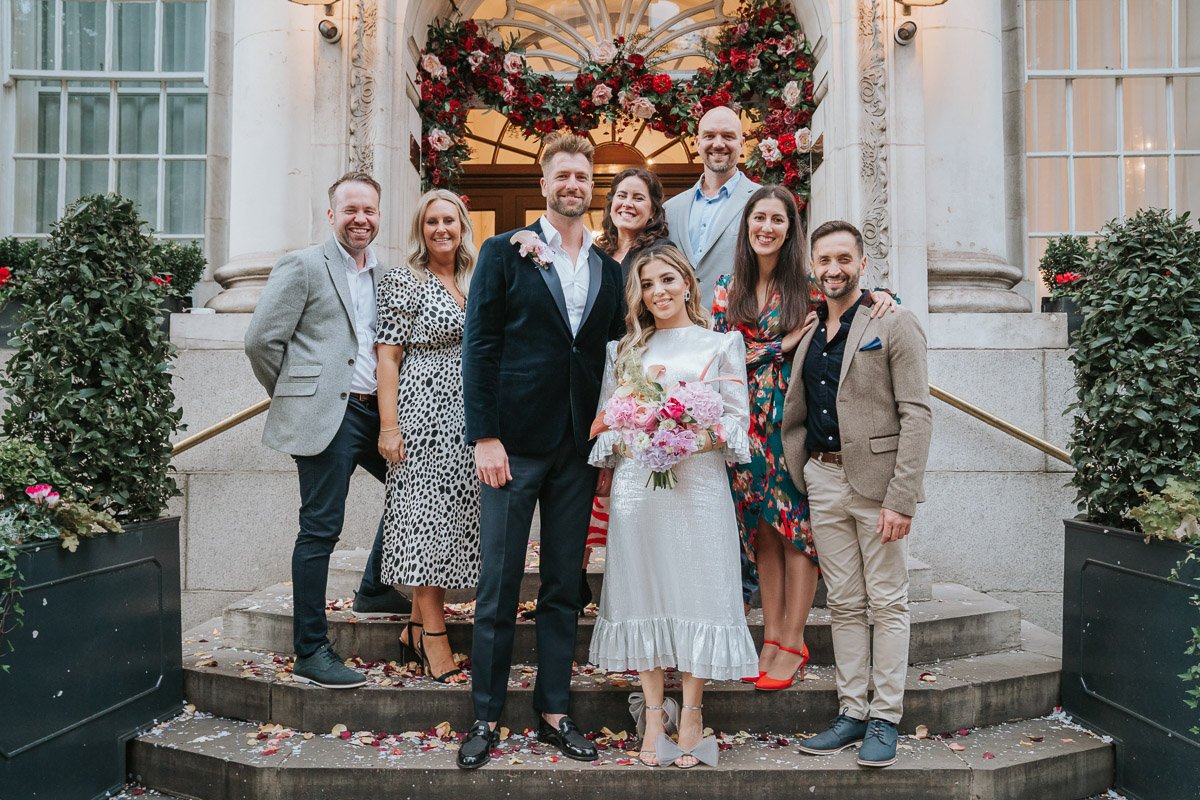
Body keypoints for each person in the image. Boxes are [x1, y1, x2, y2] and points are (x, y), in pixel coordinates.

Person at [458, 133, 626, 770]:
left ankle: (555, 710)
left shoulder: (610, 270)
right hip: (513, 446)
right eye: (563, 175)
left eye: (583, 177)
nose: (573, 186)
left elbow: (612, 357)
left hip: (577, 449)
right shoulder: (505, 253)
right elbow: (480, 348)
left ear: (591, 186)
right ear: (544, 182)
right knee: (498, 584)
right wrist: (485, 436)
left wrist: (608, 443)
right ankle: (486, 715)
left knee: (563, 585)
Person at [712, 187, 896, 693]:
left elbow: (861, 299)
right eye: (759, 218)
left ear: (791, 229)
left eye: (778, 219)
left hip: (791, 427)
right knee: (763, 535)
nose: (767, 227)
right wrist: (781, 345)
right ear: (747, 226)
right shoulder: (728, 289)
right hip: (743, 429)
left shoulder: (809, 286)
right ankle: (770, 636)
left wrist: (883, 295)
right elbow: (721, 360)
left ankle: (793, 638)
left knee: (797, 532)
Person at [589, 244, 756, 769]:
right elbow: (602, 432)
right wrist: (639, 432)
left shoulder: (722, 344)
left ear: (687, 282)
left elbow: (736, 424)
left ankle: (692, 714)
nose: (658, 292)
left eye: (667, 280)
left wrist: (687, 437)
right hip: (640, 488)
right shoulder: (624, 351)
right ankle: (654, 715)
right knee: (643, 592)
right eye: (647, 285)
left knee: (699, 591)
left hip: (699, 487)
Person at [245, 171, 411, 690]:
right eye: (351, 210)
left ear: (379, 216)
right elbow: (261, 342)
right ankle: (311, 650)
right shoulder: (303, 266)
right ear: (331, 214)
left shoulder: (388, 275)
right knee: (321, 529)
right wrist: (299, 395)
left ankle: (374, 587)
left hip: (379, 412)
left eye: (369, 211)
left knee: (416, 485)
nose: (361, 219)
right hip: (328, 417)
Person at [782, 220, 931, 769]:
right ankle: (851, 711)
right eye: (824, 260)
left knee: (887, 601)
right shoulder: (811, 327)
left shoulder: (894, 322)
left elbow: (917, 413)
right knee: (844, 603)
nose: (833, 269)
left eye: (844, 259)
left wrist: (902, 498)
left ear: (862, 263)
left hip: (877, 485)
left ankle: (885, 718)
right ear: (813, 267)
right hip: (821, 479)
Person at [374, 190, 479, 685]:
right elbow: (388, 358)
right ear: (421, 229)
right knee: (424, 522)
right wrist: (388, 426)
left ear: (462, 225)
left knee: (449, 521)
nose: (441, 229)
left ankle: (416, 627)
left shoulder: (472, 278)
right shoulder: (402, 280)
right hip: (421, 409)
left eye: (449, 220)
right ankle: (436, 639)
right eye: (432, 221)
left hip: (466, 417)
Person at [665, 105, 761, 308]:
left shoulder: (762, 201)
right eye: (709, 136)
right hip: (679, 329)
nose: (718, 144)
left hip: (739, 331)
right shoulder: (670, 209)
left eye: (728, 136)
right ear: (697, 142)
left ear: (742, 143)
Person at [596, 166, 671, 277]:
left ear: (652, 211)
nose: (627, 204)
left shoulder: (660, 251)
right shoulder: (599, 255)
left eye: (638, 198)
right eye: (621, 196)